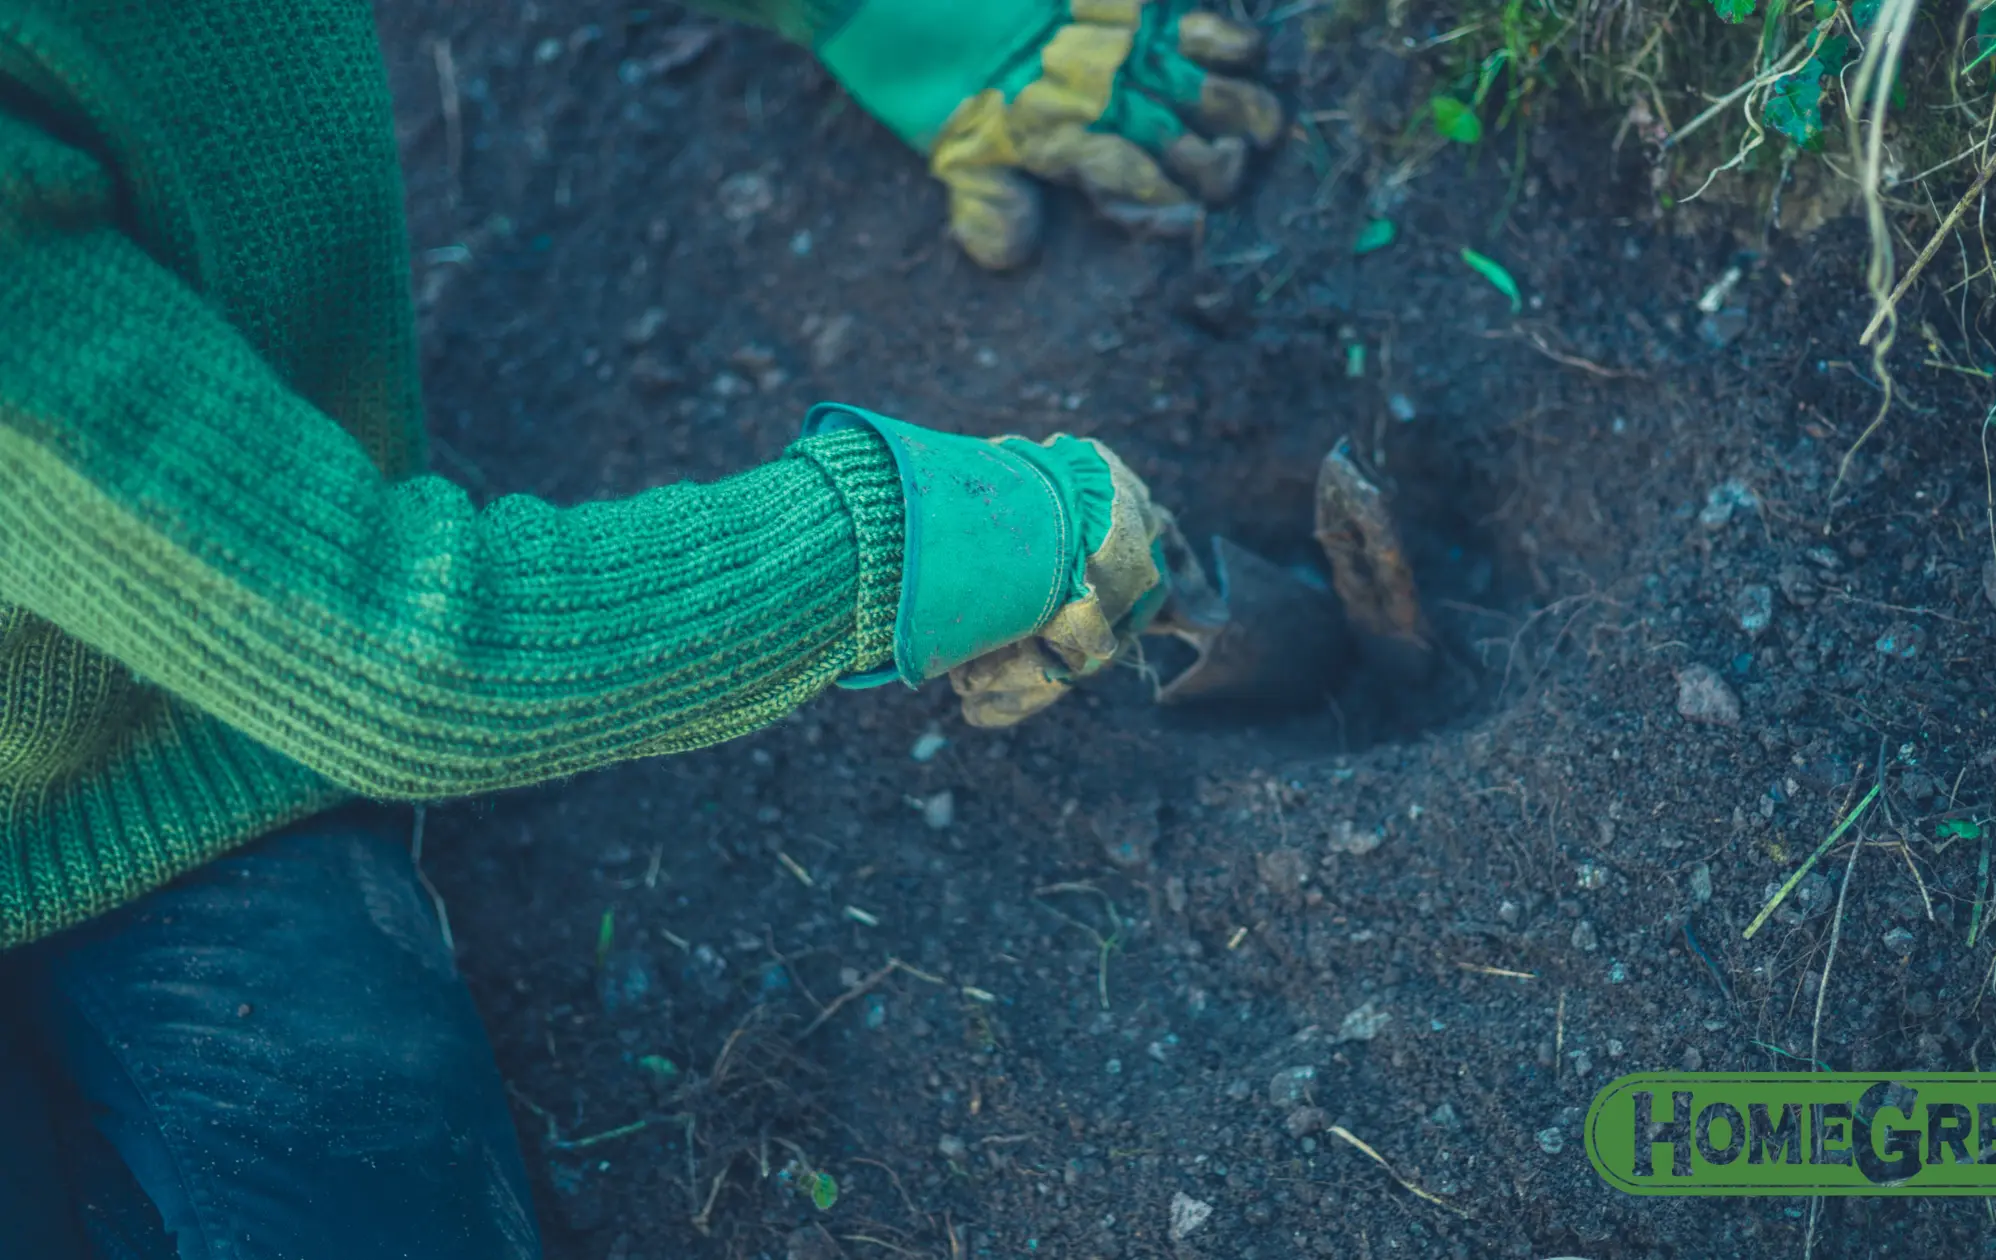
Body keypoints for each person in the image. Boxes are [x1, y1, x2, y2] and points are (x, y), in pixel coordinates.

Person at [0, 1, 1282, 1255]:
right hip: (289, 658)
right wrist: (896, 541)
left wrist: (898, 19)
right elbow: (403, 656)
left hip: (184, 749)